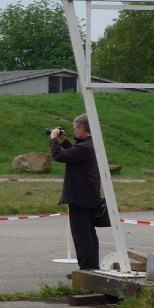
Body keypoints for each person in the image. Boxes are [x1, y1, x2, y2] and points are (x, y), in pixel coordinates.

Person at [50, 115, 102, 271]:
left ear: (82, 128)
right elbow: (74, 153)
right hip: (89, 195)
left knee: (82, 235)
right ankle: (92, 266)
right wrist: (64, 141)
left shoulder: (85, 147)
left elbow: (59, 156)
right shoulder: (90, 144)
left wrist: (53, 140)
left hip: (80, 197)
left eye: (75, 128)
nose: (74, 131)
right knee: (89, 233)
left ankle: (86, 269)